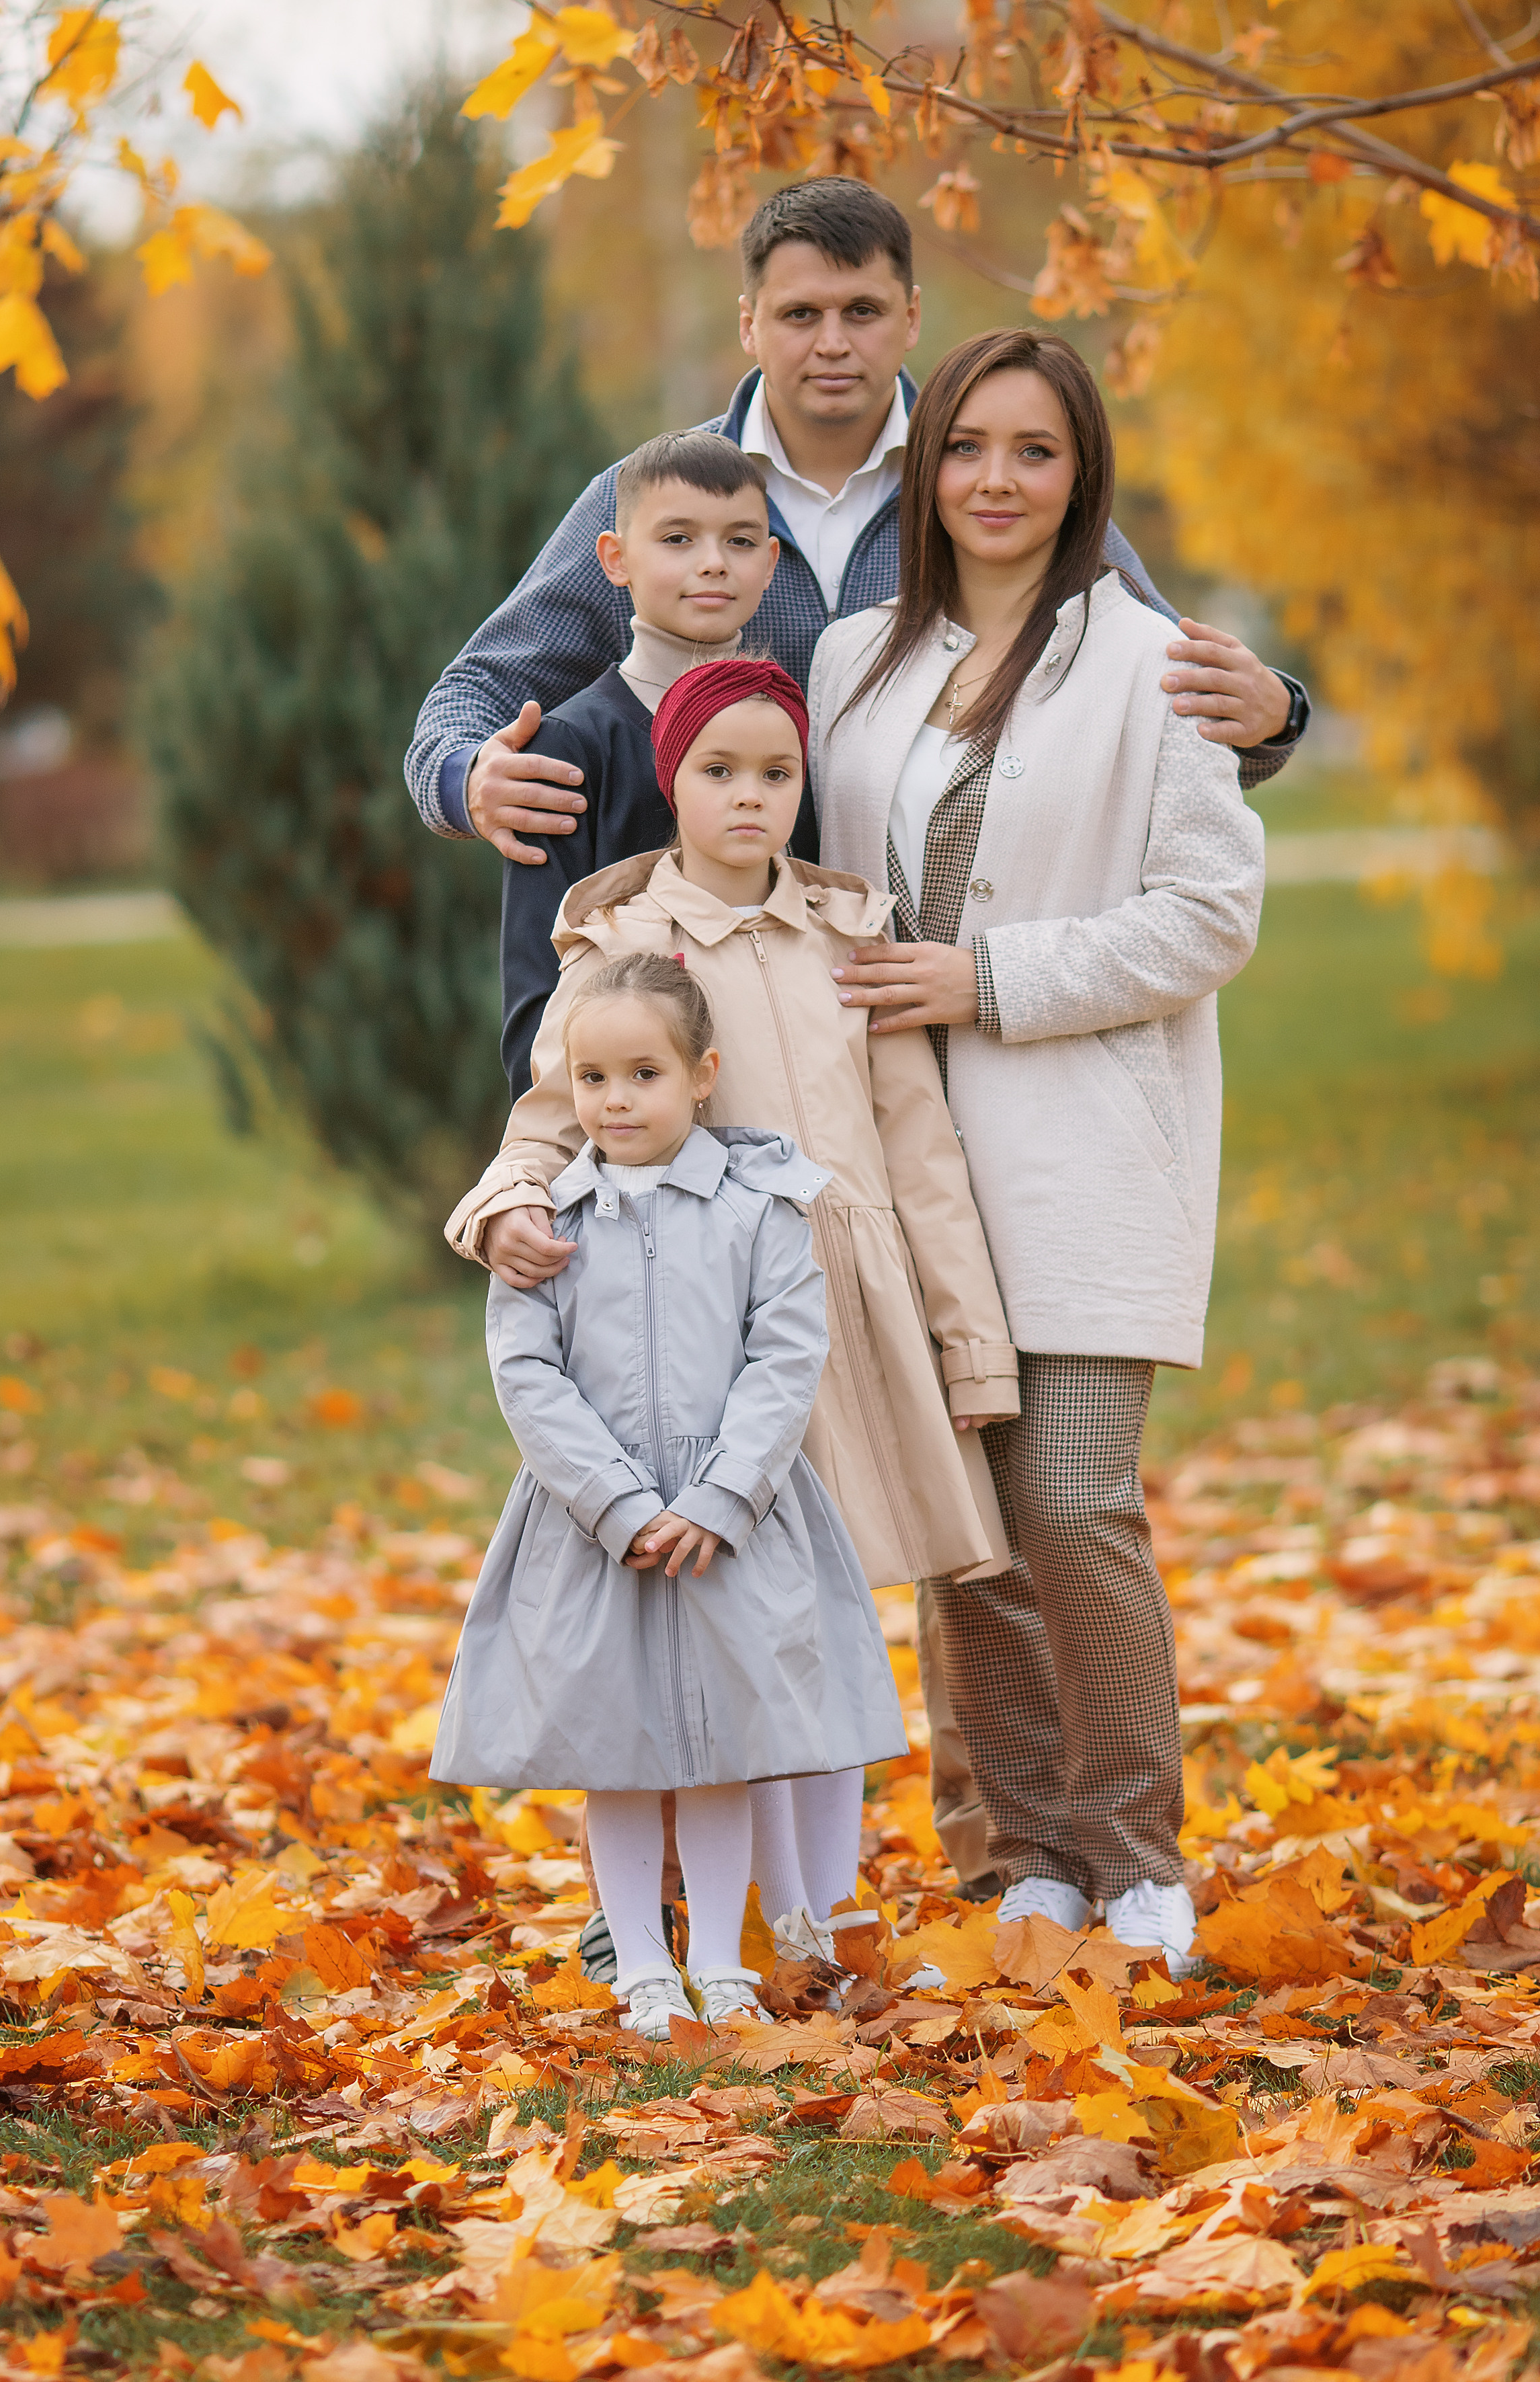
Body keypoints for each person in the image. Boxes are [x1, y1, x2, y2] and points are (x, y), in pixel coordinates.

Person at [808, 327, 1267, 1979]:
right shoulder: (854, 660)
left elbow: (1210, 916)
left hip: (1079, 1149)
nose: (995, 481)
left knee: (1070, 1502)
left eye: (1034, 451)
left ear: (1083, 480)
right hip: (904, 1171)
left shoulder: (1155, 661)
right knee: (964, 1532)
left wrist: (987, 979)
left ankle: (1136, 1853)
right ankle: (1025, 1858)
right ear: (924, 472)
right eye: (966, 448)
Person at [442, 655, 1020, 1964]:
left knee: (820, 1611)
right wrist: (503, 1207)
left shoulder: (844, 929)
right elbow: (553, 1111)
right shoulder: (624, 939)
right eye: (720, 771)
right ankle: (713, 1910)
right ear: (673, 780)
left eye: (775, 774)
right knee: (725, 1612)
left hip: (843, 1311)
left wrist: (966, 1338)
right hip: (694, 1323)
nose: (750, 797)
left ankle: (823, 1901)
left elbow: (916, 1142)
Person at [405, 177, 1309, 867]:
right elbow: (467, 698)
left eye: (862, 312)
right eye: (800, 315)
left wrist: (1274, 718)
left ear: (909, 317)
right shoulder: (657, 499)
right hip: (717, 969)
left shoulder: (989, 486)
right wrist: (468, 780)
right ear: (749, 325)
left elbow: (1165, 696)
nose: (832, 342)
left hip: (938, 971)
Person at [429, 951, 909, 2037]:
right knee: (620, 1747)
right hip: (594, 1529)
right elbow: (527, 1373)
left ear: (702, 1074)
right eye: (592, 1079)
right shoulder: (548, 1220)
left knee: (724, 1744)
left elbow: (785, 1358)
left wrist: (721, 1496)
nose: (615, 1099)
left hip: (729, 1523)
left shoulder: (761, 1208)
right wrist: (618, 1502)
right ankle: (644, 1961)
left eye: (642, 1073)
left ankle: (727, 1960)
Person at [499, 428, 780, 1100]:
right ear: (615, 558)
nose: (713, 563)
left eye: (739, 542)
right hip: (626, 1150)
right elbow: (540, 988)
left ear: (770, 563)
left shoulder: (788, 736)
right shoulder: (570, 747)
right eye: (677, 539)